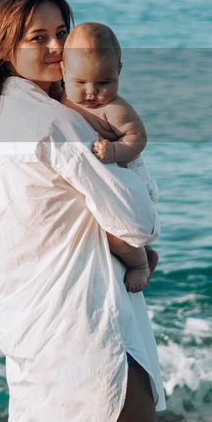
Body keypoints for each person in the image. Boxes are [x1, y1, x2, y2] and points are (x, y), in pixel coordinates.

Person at [0, 0, 165, 422]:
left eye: (62, 33)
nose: (57, 48)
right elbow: (138, 222)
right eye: (39, 37)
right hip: (87, 323)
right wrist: (128, 157)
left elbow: (50, 225)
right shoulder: (57, 122)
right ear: (6, 47)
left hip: (32, 325)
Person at [59, 22, 160, 293]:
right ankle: (144, 251)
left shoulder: (114, 108)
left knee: (116, 234)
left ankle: (139, 263)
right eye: (81, 82)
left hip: (129, 175)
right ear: (64, 71)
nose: (92, 92)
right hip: (106, 177)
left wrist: (115, 150)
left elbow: (137, 138)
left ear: (119, 72)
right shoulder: (62, 99)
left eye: (104, 83)